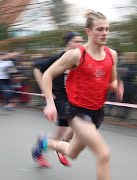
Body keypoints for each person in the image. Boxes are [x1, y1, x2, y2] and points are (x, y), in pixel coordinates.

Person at [31, 9, 124, 180]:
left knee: (72, 152)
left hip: (97, 113)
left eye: (107, 29)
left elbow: (112, 81)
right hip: (77, 113)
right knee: (103, 154)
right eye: (100, 29)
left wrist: (117, 86)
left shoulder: (112, 55)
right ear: (88, 31)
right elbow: (47, 75)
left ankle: (44, 142)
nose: (105, 33)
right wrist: (50, 103)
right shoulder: (76, 55)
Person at [32, 31, 84, 167]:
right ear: (69, 43)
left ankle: (42, 147)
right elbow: (37, 69)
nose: (80, 44)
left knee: (60, 133)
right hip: (59, 98)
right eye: (76, 41)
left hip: (72, 99)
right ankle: (60, 149)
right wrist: (43, 88)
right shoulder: (58, 57)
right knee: (78, 123)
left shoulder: (79, 58)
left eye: (81, 41)